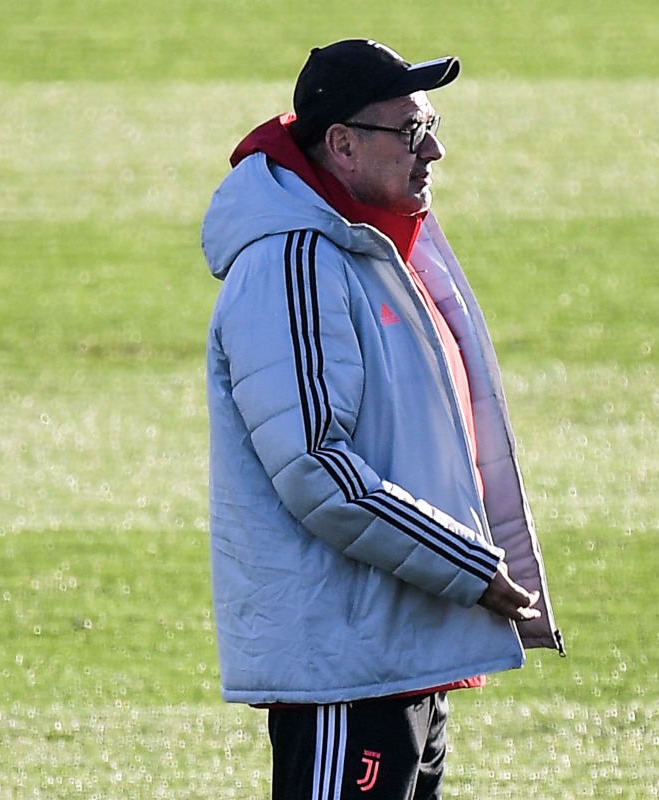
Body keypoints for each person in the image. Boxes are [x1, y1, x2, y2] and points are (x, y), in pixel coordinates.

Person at [200, 39, 562, 800]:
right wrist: (466, 565)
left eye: (428, 125)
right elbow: (315, 470)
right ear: (341, 144)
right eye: (410, 132)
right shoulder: (294, 262)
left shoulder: (376, 244)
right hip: (345, 669)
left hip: (396, 654)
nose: (434, 149)